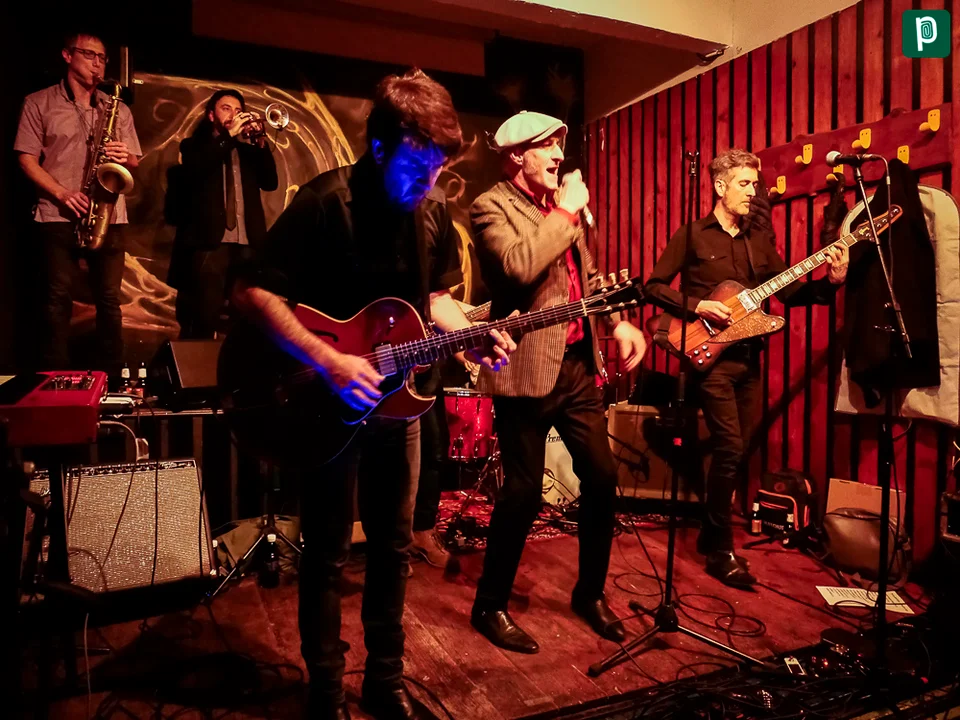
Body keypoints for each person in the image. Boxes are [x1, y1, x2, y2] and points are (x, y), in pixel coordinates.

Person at [231, 69, 515, 720]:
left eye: (436, 172)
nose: (425, 185)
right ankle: (326, 692)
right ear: (379, 148)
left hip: (398, 405)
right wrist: (329, 360)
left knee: (393, 548)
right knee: (328, 553)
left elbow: (436, 299)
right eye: (416, 170)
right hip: (322, 403)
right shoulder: (324, 203)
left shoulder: (431, 212)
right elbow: (251, 291)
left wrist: (467, 338)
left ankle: (385, 682)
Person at [468, 111, 647, 654]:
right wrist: (567, 210)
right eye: (546, 146)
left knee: (602, 476)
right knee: (522, 493)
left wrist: (618, 323)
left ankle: (589, 594)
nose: (558, 156)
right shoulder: (490, 205)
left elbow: (585, 280)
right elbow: (519, 266)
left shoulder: (559, 209)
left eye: (559, 146)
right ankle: (489, 605)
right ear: (516, 155)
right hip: (523, 367)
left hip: (575, 368)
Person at [643, 148, 849, 588]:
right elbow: (653, 286)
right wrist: (700, 306)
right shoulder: (693, 235)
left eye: (755, 184)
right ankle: (721, 549)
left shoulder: (758, 240)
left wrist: (831, 283)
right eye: (744, 183)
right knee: (730, 448)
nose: (753, 191)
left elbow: (790, 294)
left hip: (749, 359)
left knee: (737, 451)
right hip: (709, 359)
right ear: (720, 186)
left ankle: (709, 531)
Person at [15, 30, 141, 380]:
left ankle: (111, 380)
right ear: (67, 56)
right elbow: (26, 158)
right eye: (89, 55)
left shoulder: (117, 107)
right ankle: (53, 380)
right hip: (57, 212)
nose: (98, 64)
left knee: (110, 302)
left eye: (102, 58)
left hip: (108, 214)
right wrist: (62, 193)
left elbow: (134, 161)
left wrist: (124, 156)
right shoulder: (38, 102)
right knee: (57, 299)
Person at [170, 89, 278, 339]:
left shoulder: (248, 152)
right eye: (226, 108)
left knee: (244, 321)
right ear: (211, 115)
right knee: (204, 315)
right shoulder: (193, 147)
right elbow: (196, 172)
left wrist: (261, 144)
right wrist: (227, 137)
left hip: (247, 244)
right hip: (211, 244)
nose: (234, 114)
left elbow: (270, 182)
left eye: (238, 110)